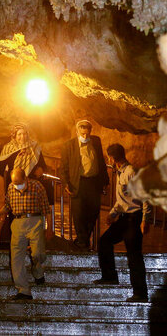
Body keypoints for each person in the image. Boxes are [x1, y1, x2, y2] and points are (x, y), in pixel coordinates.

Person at [94, 144, 151, 302]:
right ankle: (110, 276)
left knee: (134, 255)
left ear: (112, 158)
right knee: (104, 241)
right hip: (124, 218)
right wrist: (112, 214)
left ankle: (140, 293)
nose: (108, 160)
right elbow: (121, 200)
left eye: (109, 157)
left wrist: (145, 219)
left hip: (134, 218)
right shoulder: (119, 173)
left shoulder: (131, 172)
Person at [0, 168, 52, 300]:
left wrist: (49, 228)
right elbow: (8, 204)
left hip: (35, 221)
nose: (17, 186)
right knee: (16, 257)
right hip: (18, 222)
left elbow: (46, 208)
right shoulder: (11, 187)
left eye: (19, 182)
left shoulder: (37, 186)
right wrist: (1, 212)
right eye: (14, 183)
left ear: (25, 179)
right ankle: (23, 290)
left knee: (37, 253)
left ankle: (38, 272)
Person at [60, 119, 109, 249]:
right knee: (78, 213)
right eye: (82, 134)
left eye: (87, 133)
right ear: (77, 132)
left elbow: (101, 161)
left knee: (94, 211)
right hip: (78, 182)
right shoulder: (68, 145)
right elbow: (63, 167)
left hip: (93, 182)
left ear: (90, 132)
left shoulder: (96, 141)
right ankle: (83, 240)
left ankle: (83, 239)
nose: (85, 136)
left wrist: (105, 181)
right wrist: (66, 183)